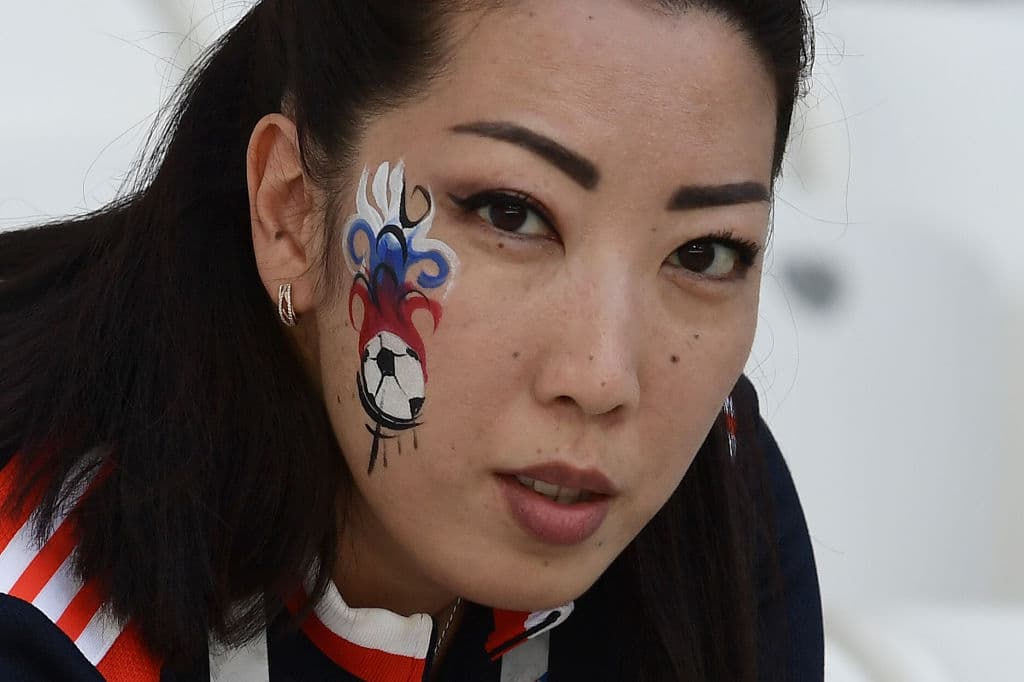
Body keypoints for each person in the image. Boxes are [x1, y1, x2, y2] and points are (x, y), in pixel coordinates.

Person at [0, 1, 822, 680]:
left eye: (704, 253)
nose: (604, 376)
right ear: (290, 209)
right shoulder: (40, 630)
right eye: (511, 213)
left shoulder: (720, 491)